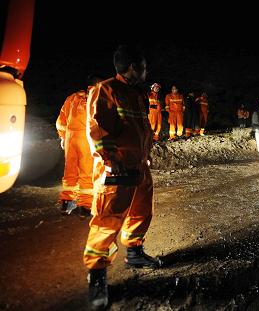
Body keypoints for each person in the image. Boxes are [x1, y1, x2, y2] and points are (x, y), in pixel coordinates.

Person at [84, 45, 162, 309]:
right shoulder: (105, 90)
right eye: (143, 66)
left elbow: (142, 130)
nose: (146, 71)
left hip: (138, 167)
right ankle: (97, 275)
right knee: (108, 220)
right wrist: (110, 161)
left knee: (142, 211)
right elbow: (96, 128)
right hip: (116, 168)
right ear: (132, 68)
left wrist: (145, 153)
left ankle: (135, 252)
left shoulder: (135, 95)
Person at [55, 77, 101, 219]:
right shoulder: (96, 98)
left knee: (70, 171)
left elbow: (61, 120)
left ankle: (67, 203)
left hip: (70, 138)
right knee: (86, 173)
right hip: (86, 139)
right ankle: (85, 207)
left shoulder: (72, 98)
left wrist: (63, 137)